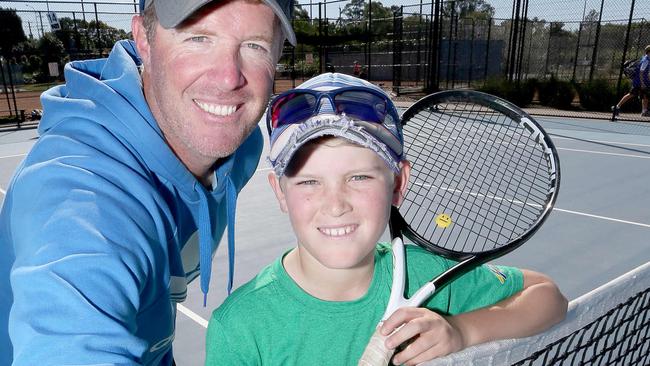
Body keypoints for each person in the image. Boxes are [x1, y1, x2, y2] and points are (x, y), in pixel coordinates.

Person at [0, 0, 296, 364]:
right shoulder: (81, 194)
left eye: (255, 45)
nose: (229, 78)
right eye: (198, 38)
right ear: (143, 38)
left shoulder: (240, 145)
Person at [205, 73, 568, 366]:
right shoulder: (240, 328)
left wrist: (461, 331)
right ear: (280, 191)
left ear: (398, 183)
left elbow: (548, 297)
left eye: (359, 177)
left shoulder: (426, 277)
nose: (335, 205)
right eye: (310, 182)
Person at [611, 45, 650, 120]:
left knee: (645, 95)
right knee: (632, 94)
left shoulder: (646, 58)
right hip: (639, 81)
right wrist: (642, 83)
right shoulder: (646, 60)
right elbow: (641, 72)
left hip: (643, 81)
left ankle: (644, 111)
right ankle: (617, 107)